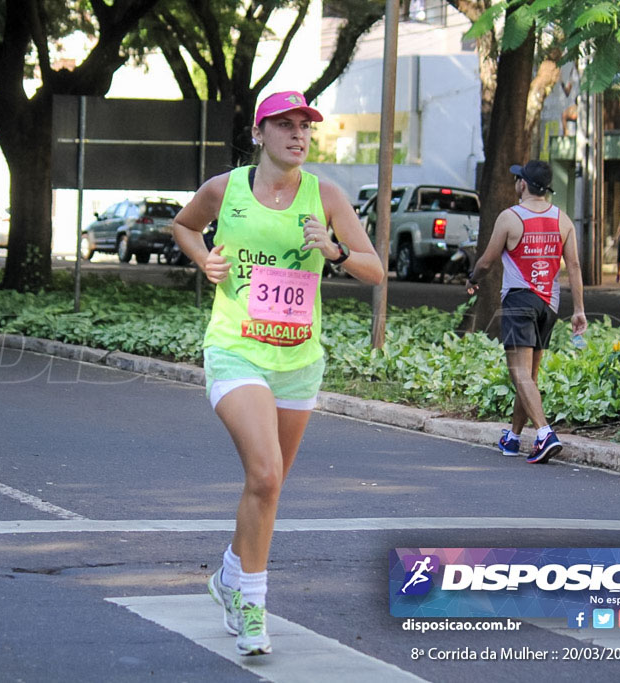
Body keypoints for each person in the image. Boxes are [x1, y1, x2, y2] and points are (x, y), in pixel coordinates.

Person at [172, 90, 384, 656]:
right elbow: (185, 226)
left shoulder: (326, 196)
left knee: (268, 486)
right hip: (236, 349)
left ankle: (226, 577)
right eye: (285, 125)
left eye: (305, 127)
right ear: (259, 134)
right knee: (264, 475)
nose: (297, 135)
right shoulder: (226, 189)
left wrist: (334, 251)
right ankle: (252, 606)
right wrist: (205, 258)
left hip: (298, 361)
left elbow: (376, 270)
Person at [464, 160, 587, 464]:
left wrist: (473, 278)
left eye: (518, 178)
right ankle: (514, 438)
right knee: (528, 376)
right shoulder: (564, 220)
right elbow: (573, 266)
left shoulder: (510, 218)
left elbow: (488, 261)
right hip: (549, 305)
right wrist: (579, 310)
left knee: (519, 373)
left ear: (523, 184)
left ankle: (545, 433)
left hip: (519, 301)